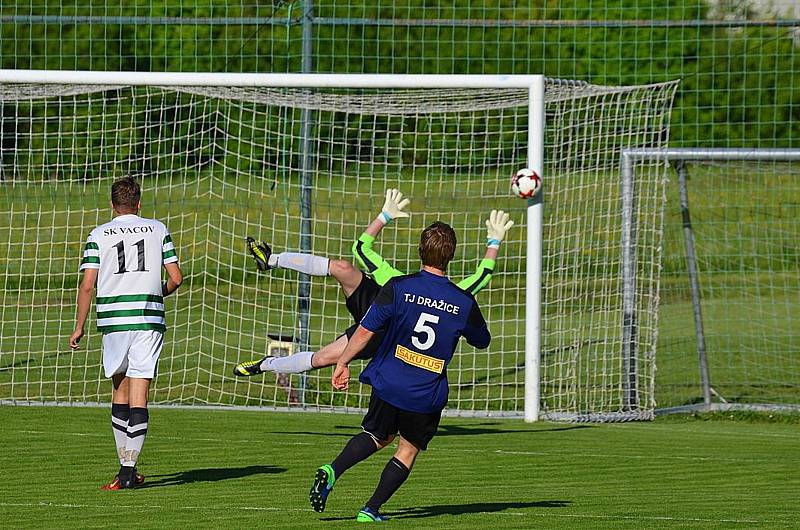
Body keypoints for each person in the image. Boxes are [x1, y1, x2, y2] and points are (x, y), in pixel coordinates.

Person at [310, 220, 491, 522]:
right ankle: (370, 509)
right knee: (407, 450)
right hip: (424, 392)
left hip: (388, 379)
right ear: (452, 255)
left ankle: (333, 469)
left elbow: (366, 330)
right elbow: (482, 341)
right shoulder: (463, 302)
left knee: (376, 436)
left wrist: (342, 363)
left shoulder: (399, 287)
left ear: (420, 251)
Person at [233, 189, 512, 377]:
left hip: (382, 333)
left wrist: (384, 217)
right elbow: (482, 276)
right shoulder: (403, 283)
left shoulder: (446, 292)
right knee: (343, 268)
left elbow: (362, 246)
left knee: (321, 359)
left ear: (419, 248)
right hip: (379, 304)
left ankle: (266, 364)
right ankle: (271, 260)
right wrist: (494, 242)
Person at [69, 176, 183, 490]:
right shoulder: (157, 228)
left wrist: (79, 326)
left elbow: (88, 284)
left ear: (111, 205)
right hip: (148, 320)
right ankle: (127, 469)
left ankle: (127, 471)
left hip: (114, 322)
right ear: (139, 203)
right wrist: (158, 293)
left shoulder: (98, 234)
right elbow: (176, 277)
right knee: (139, 397)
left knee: (119, 393)